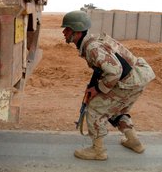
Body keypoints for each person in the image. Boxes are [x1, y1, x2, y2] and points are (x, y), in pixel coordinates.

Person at [61, 10, 155, 160]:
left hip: (128, 81)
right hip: (138, 78)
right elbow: (104, 68)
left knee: (94, 109)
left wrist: (98, 89)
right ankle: (134, 142)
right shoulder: (93, 41)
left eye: (67, 29)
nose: (63, 32)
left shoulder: (92, 48)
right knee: (116, 110)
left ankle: (98, 151)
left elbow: (115, 71)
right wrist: (93, 85)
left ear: (77, 31)